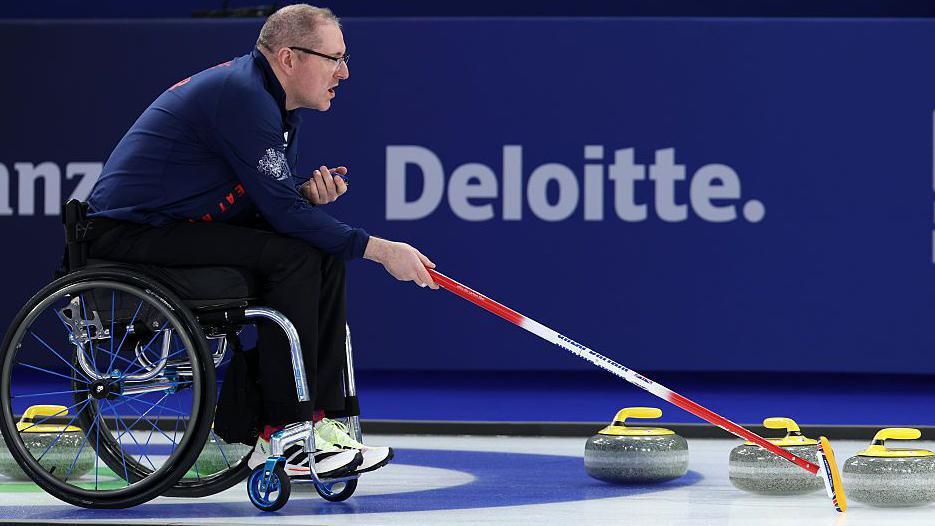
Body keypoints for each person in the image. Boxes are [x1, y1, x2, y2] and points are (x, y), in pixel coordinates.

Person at [84, 4, 438, 478]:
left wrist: (305, 196)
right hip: (130, 233)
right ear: (289, 58)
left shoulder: (274, 103)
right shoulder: (245, 97)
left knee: (321, 255)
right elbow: (282, 216)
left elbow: (275, 203)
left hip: (177, 227)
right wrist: (380, 249)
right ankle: (283, 432)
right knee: (294, 258)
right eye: (333, 58)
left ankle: (324, 422)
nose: (345, 72)